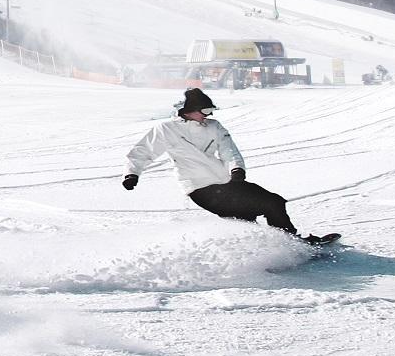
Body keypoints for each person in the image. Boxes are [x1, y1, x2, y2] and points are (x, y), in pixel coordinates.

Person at [121, 88, 333, 243]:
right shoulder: (166, 129)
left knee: (273, 202)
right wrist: (132, 174)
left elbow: (228, 149)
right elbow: (143, 151)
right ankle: (278, 248)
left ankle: (287, 244)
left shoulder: (214, 126)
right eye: (204, 110)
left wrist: (236, 169)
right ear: (189, 110)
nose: (208, 115)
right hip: (199, 188)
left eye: (210, 110)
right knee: (247, 216)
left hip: (227, 181)